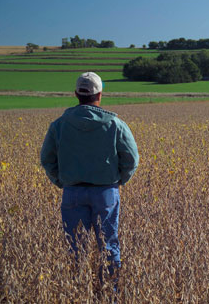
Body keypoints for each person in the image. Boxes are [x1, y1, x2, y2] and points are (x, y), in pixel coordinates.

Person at [40, 72, 139, 287]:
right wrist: (119, 180)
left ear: (76, 94)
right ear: (100, 94)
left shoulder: (59, 125)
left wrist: (61, 181)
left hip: (72, 192)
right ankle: (110, 292)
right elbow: (131, 159)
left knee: (76, 247)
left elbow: (47, 159)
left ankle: (79, 291)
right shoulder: (115, 124)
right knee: (108, 244)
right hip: (106, 193)